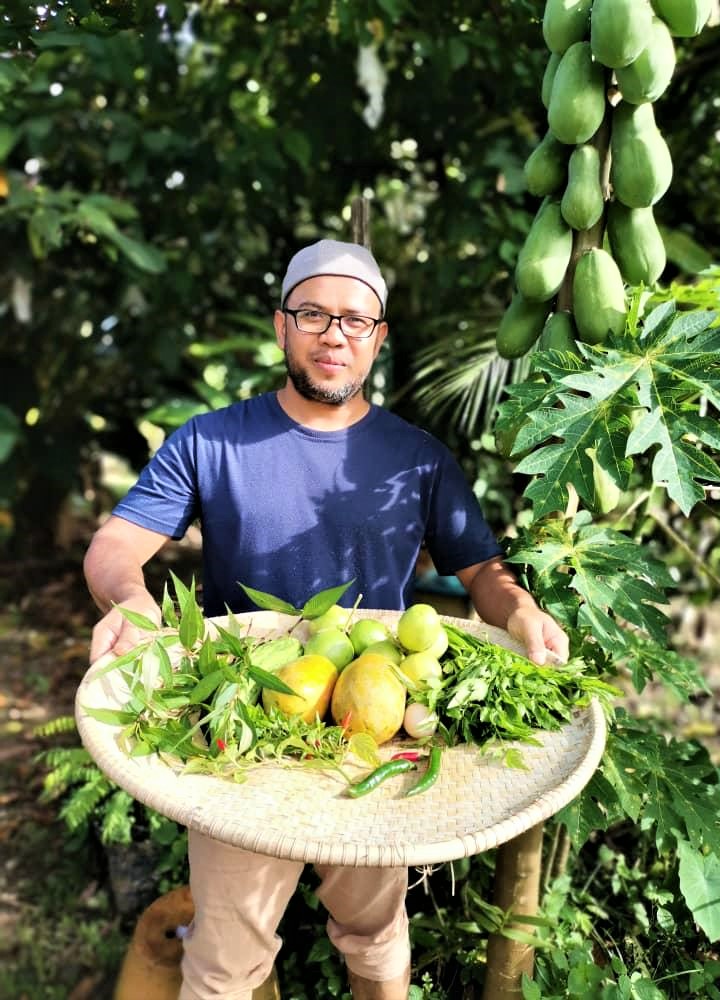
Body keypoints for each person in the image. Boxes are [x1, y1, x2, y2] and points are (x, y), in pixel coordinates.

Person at [84, 238, 569, 1000]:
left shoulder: (418, 460)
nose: (334, 334)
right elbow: (115, 546)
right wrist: (132, 601)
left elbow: (481, 570)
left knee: (376, 937)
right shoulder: (212, 442)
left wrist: (522, 610)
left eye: (355, 319)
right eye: (313, 314)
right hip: (242, 738)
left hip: (374, 739)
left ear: (378, 337)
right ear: (281, 325)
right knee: (224, 961)